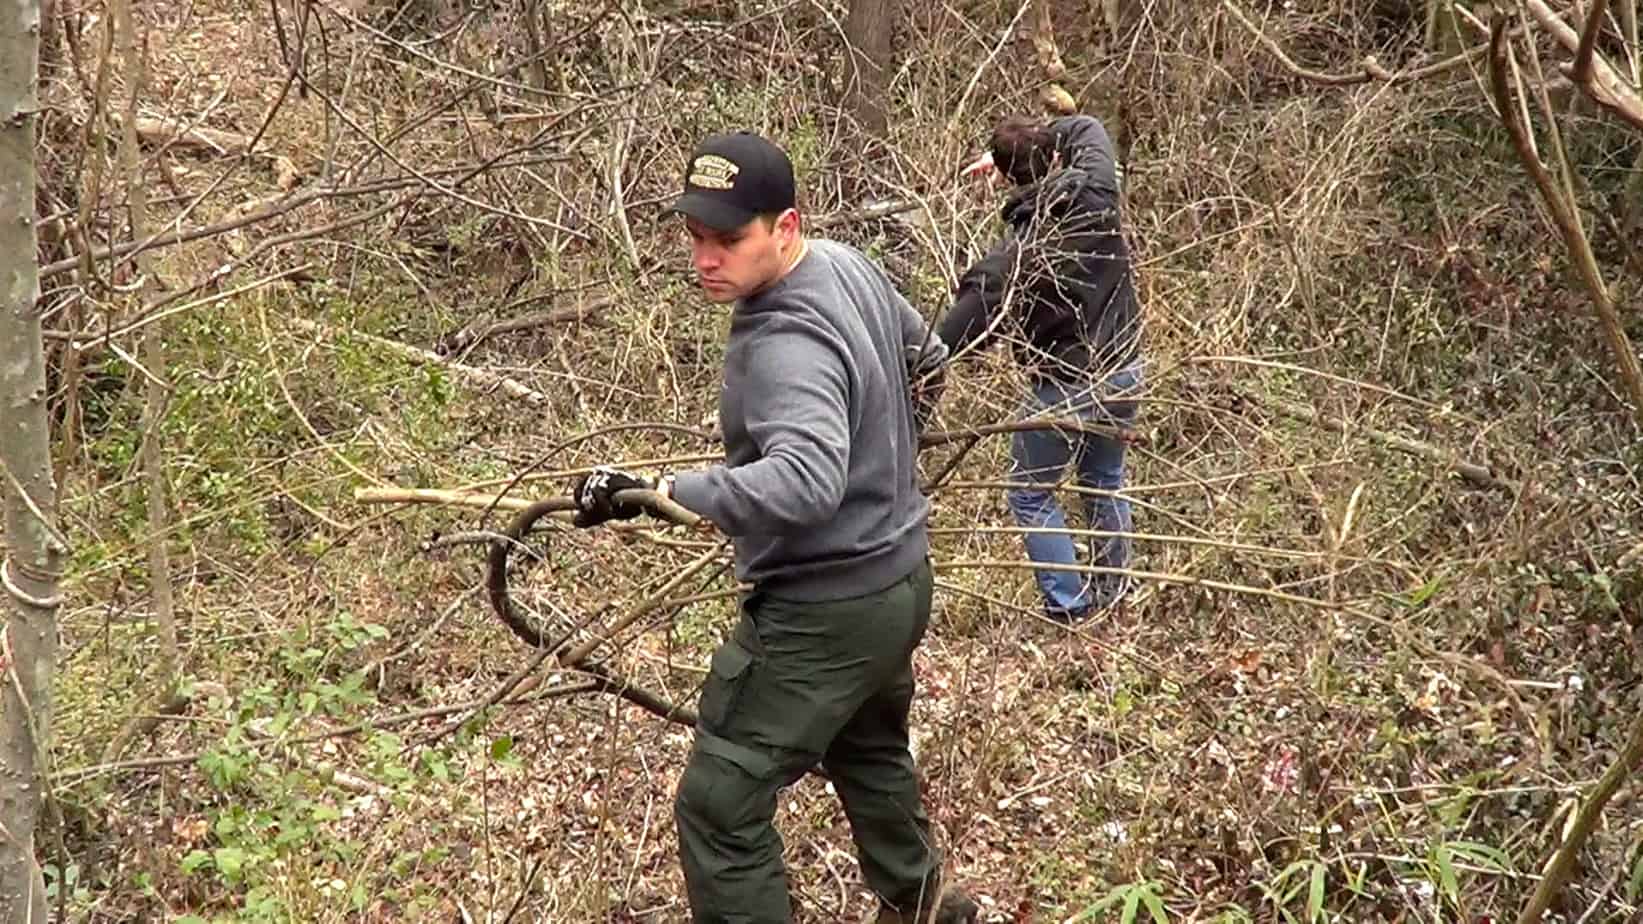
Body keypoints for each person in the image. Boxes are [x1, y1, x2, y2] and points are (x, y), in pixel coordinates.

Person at [569, 130, 977, 924]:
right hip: (899, 582)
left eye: (728, 240)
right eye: (695, 237)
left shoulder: (785, 339)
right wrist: (883, 468)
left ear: (785, 226)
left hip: (825, 610)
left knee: (719, 802)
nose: (705, 259)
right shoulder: (845, 265)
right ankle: (925, 907)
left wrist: (663, 491)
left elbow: (804, 481)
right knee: (867, 750)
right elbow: (927, 360)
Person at [937, 112, 1143, 624]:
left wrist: (914, 368)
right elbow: (1085, 126)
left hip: (1066, 385)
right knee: (1104, 479)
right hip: (1124, 367)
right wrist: (1030, 144)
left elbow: (955, 332)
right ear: (1055, 158)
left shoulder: (1017, 257)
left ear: (1008, 179)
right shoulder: (1097, 189)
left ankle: (1070, 608)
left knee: (1030, 494)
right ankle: (1114, 594)